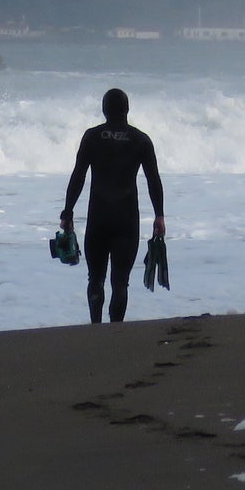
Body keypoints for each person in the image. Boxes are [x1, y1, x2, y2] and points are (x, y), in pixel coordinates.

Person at [61, 87, 166, 324]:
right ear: (127, 110)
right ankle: (115, 331)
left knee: (95, 278)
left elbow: (78, 176)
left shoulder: (92, 137)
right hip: (127, 218)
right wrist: (159, 216)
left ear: (104, 110)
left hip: (98, 217)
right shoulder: (141, 140)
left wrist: (67, 212)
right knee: (120, 281)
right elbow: (154, 181)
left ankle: (96, 328)